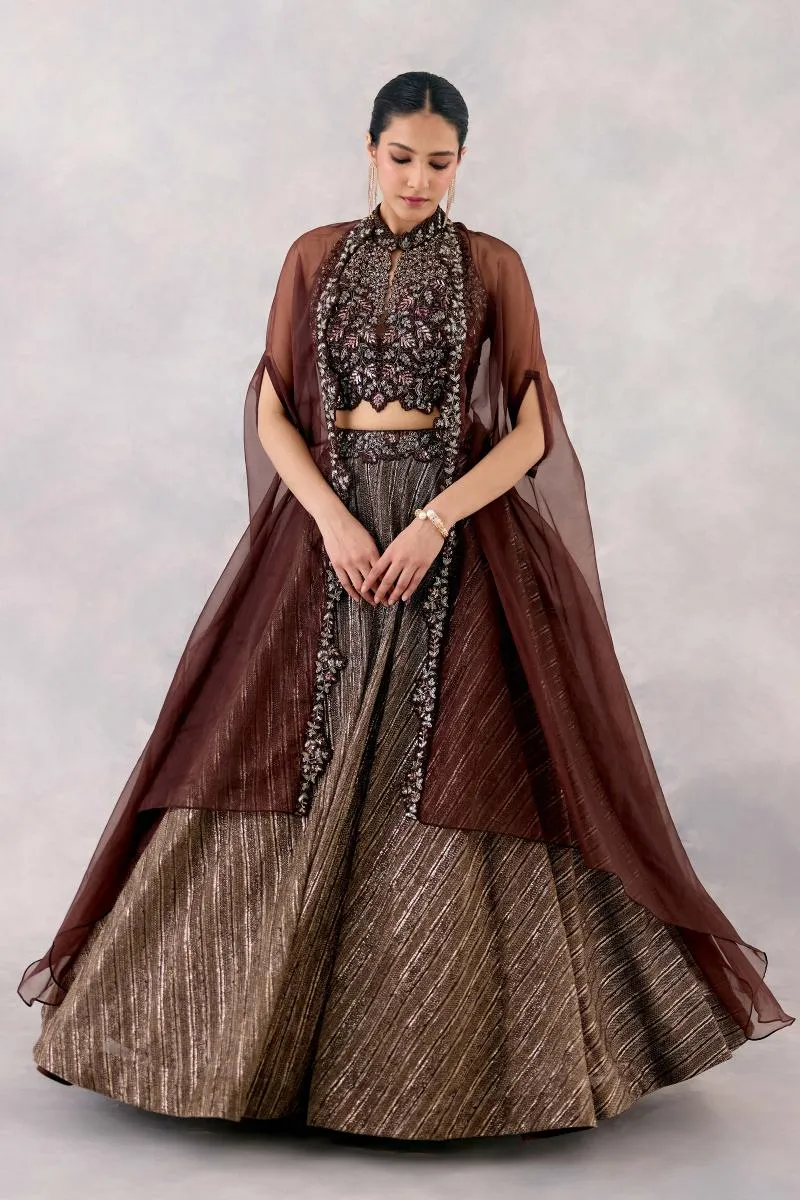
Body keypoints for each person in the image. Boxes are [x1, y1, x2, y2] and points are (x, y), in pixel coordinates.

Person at [20, 71, 793, 1143]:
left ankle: (443, 1066)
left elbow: (530, 427)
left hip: (455, 531)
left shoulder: (493, 265)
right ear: (369, 150)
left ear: (461, 161)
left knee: (466, 760)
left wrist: (434, 520)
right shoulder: (311, 255)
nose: (419, 178)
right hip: (328, 532)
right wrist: (333, 520)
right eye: (402, 157)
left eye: (440, 161)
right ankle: (225, 1048)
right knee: (266, 748)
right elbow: (273, 406)